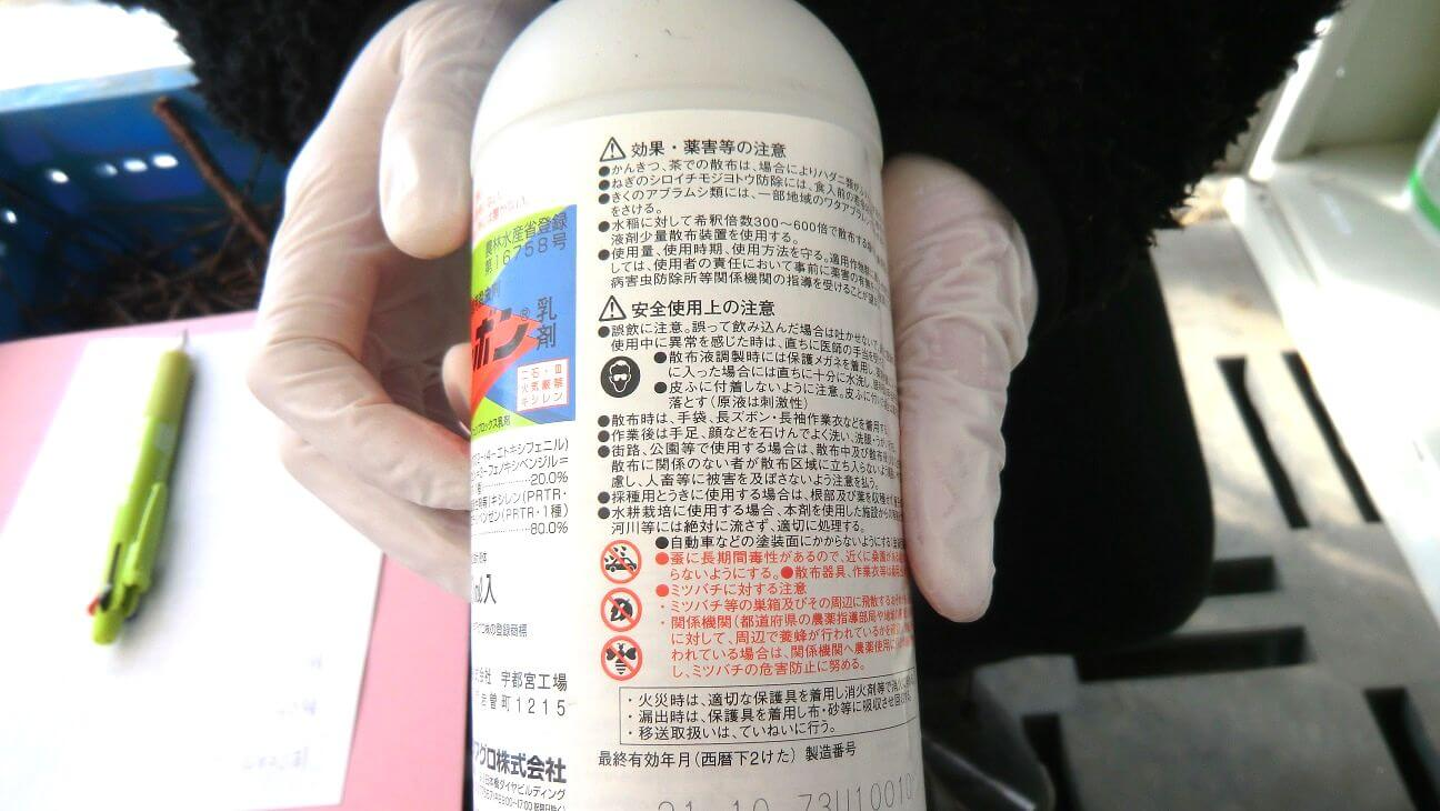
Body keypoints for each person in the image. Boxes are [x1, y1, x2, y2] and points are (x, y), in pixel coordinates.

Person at [120, 0, 1341, 806]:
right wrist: (355, 35)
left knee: (1098, 559)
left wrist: (1044, 130)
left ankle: (919, 712)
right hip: (551, 147)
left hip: (995, 132)